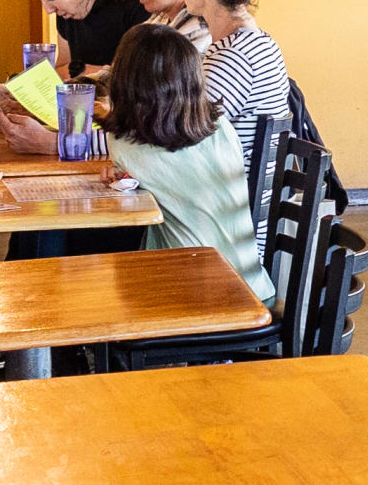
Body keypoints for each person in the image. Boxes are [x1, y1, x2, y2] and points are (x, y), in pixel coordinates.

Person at [90, 23, 272, 300]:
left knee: (97, 284)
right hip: (252, 286)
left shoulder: (126, 145)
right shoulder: (221, 127)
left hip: (191, 291)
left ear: (125, 82)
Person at [177, 0, 289, 153]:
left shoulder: (233, 58)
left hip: (232, 189)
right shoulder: (258, 41)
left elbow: (179, 137)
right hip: (241, 186)